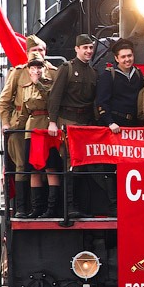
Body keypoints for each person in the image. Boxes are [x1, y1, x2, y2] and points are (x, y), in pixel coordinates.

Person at [0, 34, 56, 218]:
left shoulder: (53, 72)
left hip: (44, 125)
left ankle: (45, 207)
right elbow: (4, 101)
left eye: (41, 50)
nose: (37, 53)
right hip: (20, 126)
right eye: (34, 50)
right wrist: (7, 123)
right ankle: (23, 207)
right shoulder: (18, 72)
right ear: (27, 52)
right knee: (23, 166)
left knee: (48, 166)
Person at [47, 34, 97, 219]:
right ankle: (69, 206)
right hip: (67, 121)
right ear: (77, 49)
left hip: (85, 124)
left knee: (82, 165)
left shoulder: (92, 73)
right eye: (85, 48)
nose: (88, 51)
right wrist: (53, 121)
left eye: (91, 48)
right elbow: (55, 96)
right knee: (70, 163)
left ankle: (80, 205)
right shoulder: (67, 68)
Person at [20, 52, 62, 218]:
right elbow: (24, 112)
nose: (36, 70)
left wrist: (38, 83)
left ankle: (52, 208)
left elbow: (51, 100)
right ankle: (36, 207)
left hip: (46, 127)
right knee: (33, 169)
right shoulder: (25, 88)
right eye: (33, 67)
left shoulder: (50, 84)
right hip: (32, 129)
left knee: (50, 167)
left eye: (39, 67)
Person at [96, 38, 144, 132]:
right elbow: (102, 101)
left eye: (129, 56)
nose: (127, 59)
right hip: (115, 124)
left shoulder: (137, 73)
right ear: (116, 58)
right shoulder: (108, 75)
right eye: (123, 57)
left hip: (133, 123)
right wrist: (110, 122)